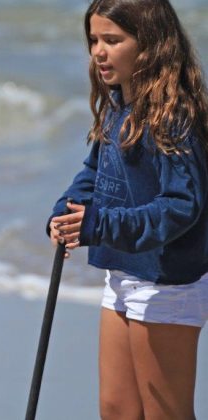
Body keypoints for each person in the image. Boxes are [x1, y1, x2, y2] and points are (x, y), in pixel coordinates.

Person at [47, 1, 208, 418]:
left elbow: (180, 207)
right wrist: (67, 213)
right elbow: (95, 172)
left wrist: (100, 224)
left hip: (165, 282)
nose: (98, 52)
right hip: (122, 272)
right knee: (116, 409)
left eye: (113, 40)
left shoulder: (174, 116)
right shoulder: (119, 104)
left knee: (165, 413)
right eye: (93, 40)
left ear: (150, 45)